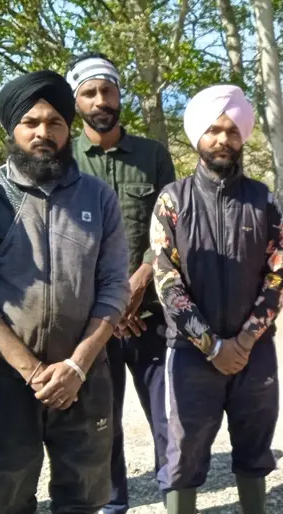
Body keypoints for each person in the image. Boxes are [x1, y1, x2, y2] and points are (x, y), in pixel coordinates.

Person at [0, 70, 130, 513]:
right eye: (31, 122)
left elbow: (113, 288)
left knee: (84, 498)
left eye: (55, 123)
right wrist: (32, 371)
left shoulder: (98, 198)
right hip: (6, 378)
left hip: (85, 377)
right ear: (12, 127)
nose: (43, 133)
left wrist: (76, 366)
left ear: (69, 128)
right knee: (3, 498)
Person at [150, 84, 283, 514]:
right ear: (198, 136)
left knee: (255, 447)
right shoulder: (172, 200)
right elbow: (166, 280)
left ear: (242, 135)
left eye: (231, 130)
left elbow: (278, 275)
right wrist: (212, 345)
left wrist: (244, 342)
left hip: (255, 352)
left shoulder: (263, 201)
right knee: (184, 453)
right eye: (213, 130)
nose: (223, 139)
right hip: (191, 353)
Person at [65, 51, 177, 514]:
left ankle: (176, 496)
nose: (100, 100)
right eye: (89, 93)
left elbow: (173, 227)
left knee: (168, 418)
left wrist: (143, 276)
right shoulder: (64, 157)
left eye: (106, 90)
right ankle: (113, 504)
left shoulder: (152, 155)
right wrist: (109, 304)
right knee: (101, 421)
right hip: (93, 323)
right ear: (77, 101)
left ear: (118, 93)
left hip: (150, 314)